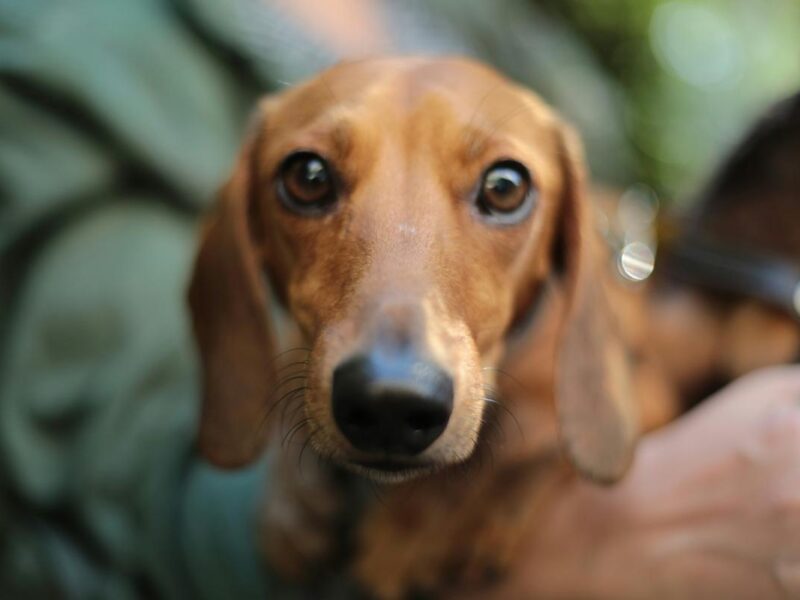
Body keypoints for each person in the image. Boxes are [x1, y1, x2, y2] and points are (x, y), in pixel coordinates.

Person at [1, 1, 798, 598]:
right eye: (312, 182)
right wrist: (584, 546)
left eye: (502, 188)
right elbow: (107, 430)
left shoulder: (492, 28)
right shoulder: (67, 42)